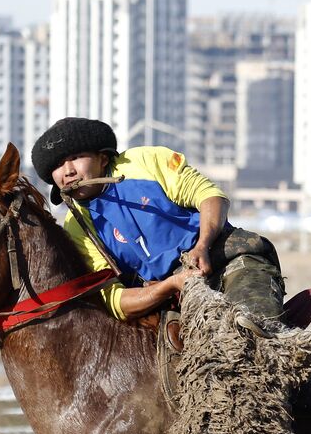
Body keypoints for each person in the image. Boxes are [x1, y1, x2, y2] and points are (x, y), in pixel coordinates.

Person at [29, 117, 286, 329]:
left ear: (103, 159)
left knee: (252, 328)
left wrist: (203, 246)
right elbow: (115, 300)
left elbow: (210, 196)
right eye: (58, 165)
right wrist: (171, 285)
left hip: (224, 259)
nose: (68, 170)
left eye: (76, 157)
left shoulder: (144, 162)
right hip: (168, 297)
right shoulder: (76, 227)